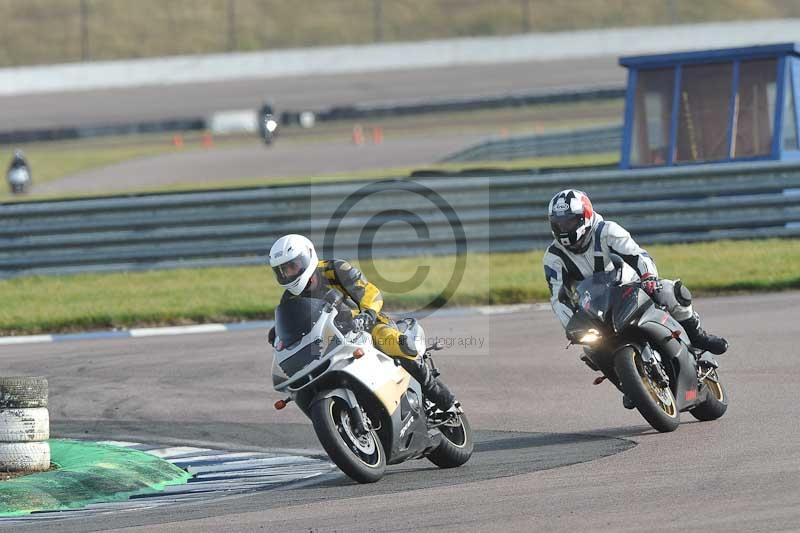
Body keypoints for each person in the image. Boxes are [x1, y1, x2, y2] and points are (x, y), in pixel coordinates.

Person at [543, 189, 729, 407]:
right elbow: (557, 297)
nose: (564, 228)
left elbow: (637, 254)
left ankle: (697, 336)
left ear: (584, 216)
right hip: (596, 309)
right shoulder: (553, 257)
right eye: (559, 223)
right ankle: (630, 385)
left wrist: (649, 276)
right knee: (590, 348)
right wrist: (570, 325)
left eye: (570, 222)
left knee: (671, 291)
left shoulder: (606, 230)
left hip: (628, 289)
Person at [267, 234, 458, 412]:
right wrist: (280, 332)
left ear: (308, 256)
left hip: (364, 326)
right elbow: (295, 322)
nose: (289, 273)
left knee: (393, 341)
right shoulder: (289, 299)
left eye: (293, 266)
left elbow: (369, 291)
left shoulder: (334, 270)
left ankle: (437, 393)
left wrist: (366, 314)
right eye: (283, 270)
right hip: (330, 340)